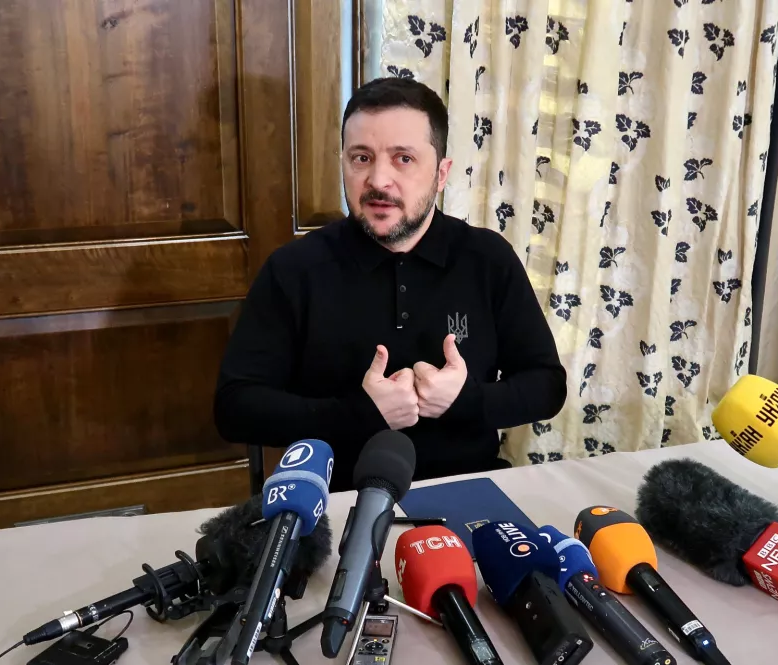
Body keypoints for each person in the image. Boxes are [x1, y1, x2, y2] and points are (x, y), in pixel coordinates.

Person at [214, 77, 566, 492]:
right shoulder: (294, 269)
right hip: (332, 501)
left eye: (403, 159)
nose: (379, 180)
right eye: (361, 158)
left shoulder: (488, 259)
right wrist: (358, 413)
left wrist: (465, 401)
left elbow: (547, 385)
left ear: (441, 173)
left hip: (467, 489)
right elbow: (235, 407)